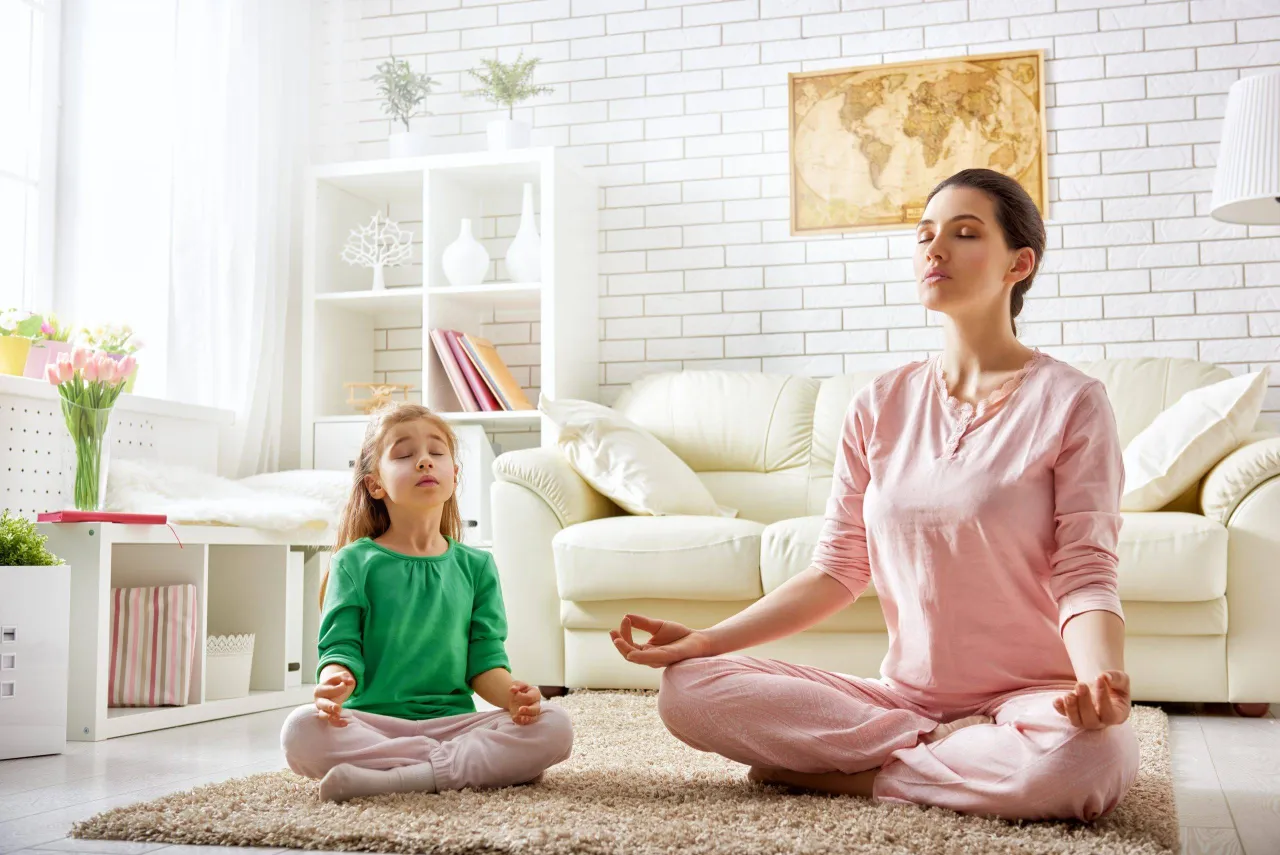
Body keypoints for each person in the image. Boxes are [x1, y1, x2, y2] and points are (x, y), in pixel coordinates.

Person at [610, 168, 1139, 822]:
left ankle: (855, 776)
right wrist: (705, 641)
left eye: (965, 233)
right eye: (924, 235)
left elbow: (1086, 570)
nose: (934, 249)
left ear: (1018, 263)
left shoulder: (1073, 402)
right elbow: (837, 569)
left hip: (1035, 696)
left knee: (1091, 758)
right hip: (903, 701)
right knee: (689, 690)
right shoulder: (879, 402)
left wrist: (1097, 681)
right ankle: (951, 757)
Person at [281, 403, 573, 802]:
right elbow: (340, 647)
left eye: (437, 453)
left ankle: (394, 778)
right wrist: (335, 679)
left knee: (555, 724)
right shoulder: (353, 562)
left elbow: (485, 662)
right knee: (299, 730)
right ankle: (462, 768)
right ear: (375, 485)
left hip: (454, 724)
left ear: (454, 474)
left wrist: (512, 696)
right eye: (404, 455)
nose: (423, 462)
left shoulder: (477, 566)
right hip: (375, 725)